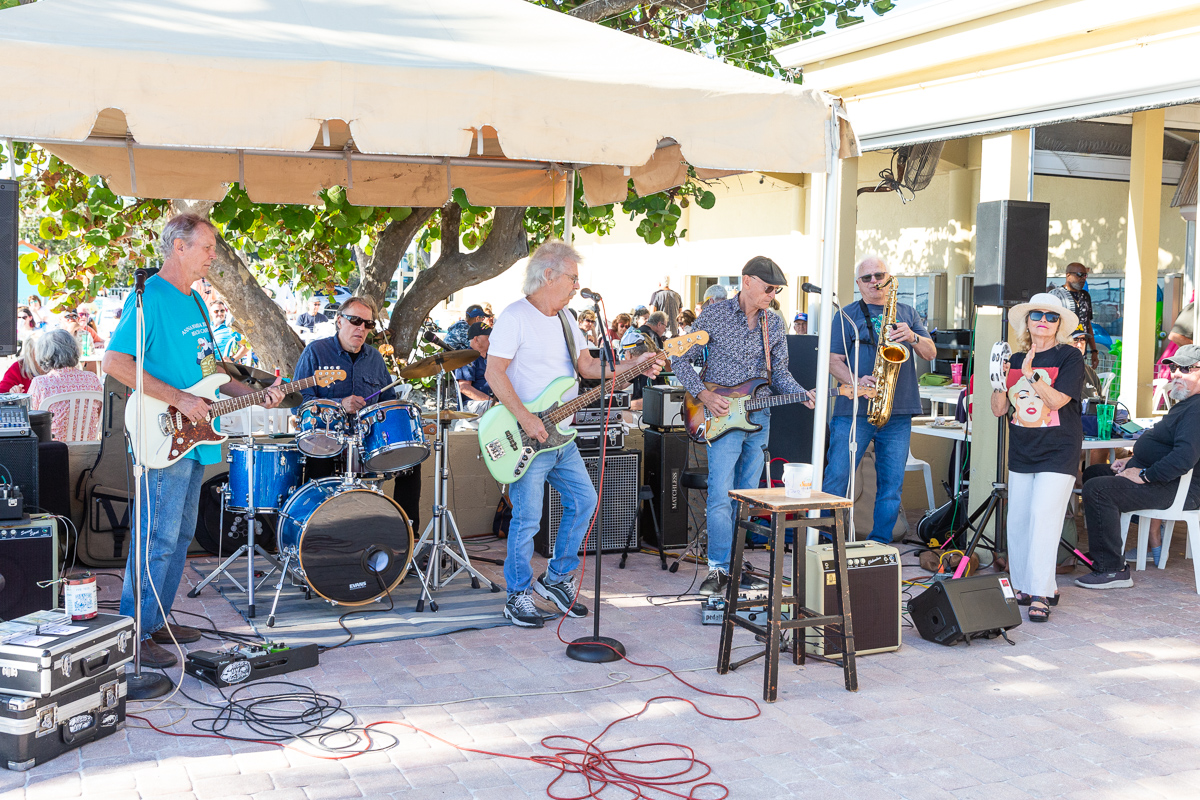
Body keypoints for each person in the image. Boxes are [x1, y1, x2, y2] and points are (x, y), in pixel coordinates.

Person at [102, 213, 286, 669]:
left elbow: (211, 373)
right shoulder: (150, 298)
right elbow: (115, 362)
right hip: (161, 432)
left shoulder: (199, 302)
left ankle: (157, 619)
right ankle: (134, 631)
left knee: (180, 534)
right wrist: (178, 399)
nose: (213, 256)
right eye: (206, 247)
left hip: (196, 438)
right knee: (156, 538)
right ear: (178, 247)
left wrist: (259, 394)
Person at [485, 241, 661, 627]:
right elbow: (494, 373)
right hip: (527, 437)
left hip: (562, 436)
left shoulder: (565, 319)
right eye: (572, 278)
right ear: (548, 275)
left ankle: (556, 578)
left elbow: (586, 366)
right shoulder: (515, 317)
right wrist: (527, 418)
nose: (575, 285)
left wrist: (635, 363)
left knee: (586, 501)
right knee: (528, 520)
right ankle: (517, 595)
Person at [671, 256, 815, 596]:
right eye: (768, 288)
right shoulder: (715, 315)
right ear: (747, 281)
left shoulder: (774, 323)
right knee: (721, 494)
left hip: (759, 416)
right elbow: (680, 358)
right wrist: (703, 395)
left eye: (777, 290)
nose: (773, 295)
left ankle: (736, 563)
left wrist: (801, 394)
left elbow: (779, 373)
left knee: (746, 495)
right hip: (720, 415)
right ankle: (718, 569)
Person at [823, 255, 937, 544]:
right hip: (855, 409)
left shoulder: (908, 312)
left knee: (891, 487)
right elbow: (832, 360)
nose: (875, 281)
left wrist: (912, 336)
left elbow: (931, 353)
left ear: (889, 278)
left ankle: (879, 546)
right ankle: (827, 541)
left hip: (898, 410)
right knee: (837, 478)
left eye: (879, 275)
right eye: (867, 278)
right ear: (859, 284)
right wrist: (855, 380)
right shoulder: (846, 315)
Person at [989, 293, 1083, 622]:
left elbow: (1057, 402)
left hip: (1059, 449)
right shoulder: (1014, 359)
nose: (1043, 321)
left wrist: (1030, 373)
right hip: (1023, 449)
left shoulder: (1069, 356)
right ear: (1027, 322)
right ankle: (1025, 584)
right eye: (1037, 315)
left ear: (1059, 324)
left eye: (1051, 316)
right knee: (1018, 521)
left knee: (1044, 516)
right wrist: (999, 379)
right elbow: (1000, 409)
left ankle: (1041, 591)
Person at [293, 295, 423, 531]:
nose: (361, 328)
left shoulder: (374, 358)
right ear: (339, 321)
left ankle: (408, 537)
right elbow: (299, 402)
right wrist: (339, 404)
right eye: (355, 321)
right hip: (328, 441)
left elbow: (387, 403)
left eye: (368, 324)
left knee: (411, 461)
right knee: (317, 461)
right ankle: (315, 537)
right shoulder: (316, 352)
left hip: (368, 442)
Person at [1077, 344, 1200, 589]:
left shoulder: (1197, 410)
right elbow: (1165, 448)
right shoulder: (1187, 404)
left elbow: (1184, 458)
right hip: (1163, 481)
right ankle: (1104, 551)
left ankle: (1113, 570)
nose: (1175, 373)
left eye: (1185, 369)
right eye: (1174, 367)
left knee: (1099, 490)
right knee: (1094, 474)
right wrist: (1131, 463)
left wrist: (1144, 475)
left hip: (1177, 489)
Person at [27, 328, 104, 441]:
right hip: (88, 448)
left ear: (44, 354)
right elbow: (101, 414)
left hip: (53, 450)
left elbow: (30, 419)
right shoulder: (92, 378)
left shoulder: (40, 383)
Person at [1051, 262, 1100, 369]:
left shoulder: (1086, 296)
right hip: (1059, 353)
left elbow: (1088, 323)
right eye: (1079, 275)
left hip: (1080, 352)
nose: (1083, 278)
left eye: (1085, 275)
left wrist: (1094, 351)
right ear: (1068, 275)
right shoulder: (1055, 295)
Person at [454, 321, 494, 419]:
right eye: (488, 337)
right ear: (476, 339)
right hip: (472, 405)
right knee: (503, 409)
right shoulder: (466, 357)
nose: (492, 339)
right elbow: (464, 388)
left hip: (489, 402)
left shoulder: (490, 357)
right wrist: (491, 402)